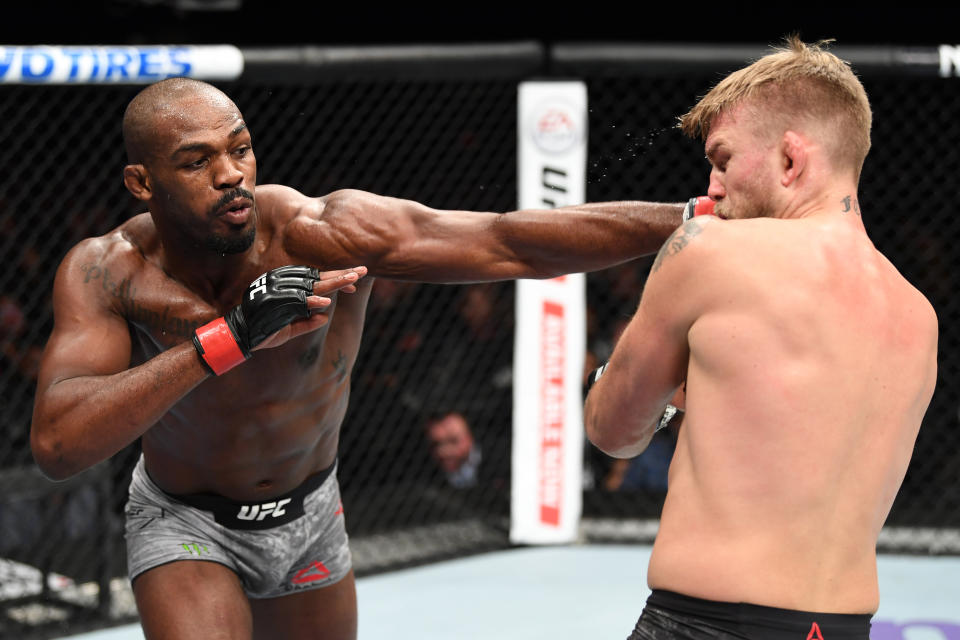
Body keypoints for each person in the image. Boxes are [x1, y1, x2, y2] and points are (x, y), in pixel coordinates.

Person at [29, 77, 695, 640]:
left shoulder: (318, 233)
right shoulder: (105, 272)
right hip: (187, 523)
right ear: (141, 182)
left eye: (240, 149)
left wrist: (691, 216)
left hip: (311, 512)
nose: (231, 174)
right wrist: (226, 342)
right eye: (197, 160)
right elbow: (58, 441)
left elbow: (506, 241)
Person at [584, 37, 938, 639]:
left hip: (708, 622)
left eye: (722, 160)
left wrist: (664, 394)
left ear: (790, 159)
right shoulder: (917, 314)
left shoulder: (711, 251)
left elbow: (612, 431)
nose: (712, 187)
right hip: (844, 627)